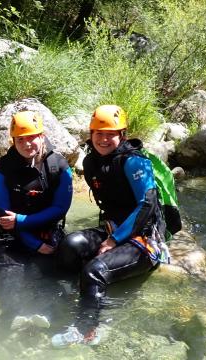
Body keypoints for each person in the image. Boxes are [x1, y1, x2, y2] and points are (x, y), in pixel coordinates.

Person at [52, 105, 169, 347]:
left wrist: (114, 241)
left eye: (110, 134)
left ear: (122, 135)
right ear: (91, 134)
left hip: (145, 237)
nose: (104, 139)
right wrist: (110, 235)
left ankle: (86, 330)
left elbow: (146, 206)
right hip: (113, 228)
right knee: (69, 245)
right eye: (99, 134)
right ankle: (75, 297)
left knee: (94, 270)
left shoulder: (136, 163)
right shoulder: (92, 162)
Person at [0, 110, 73, 330]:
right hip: (11, 232)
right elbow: (4, 217)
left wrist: (25, 223)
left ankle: (48, 314)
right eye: (20, 139)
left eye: (32, 137)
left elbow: (60, 208)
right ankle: (12, 314)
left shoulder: (58, 166)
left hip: (44, 226)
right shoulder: (3, 168)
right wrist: (33, 243)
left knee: (46, 268)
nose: (27, 144)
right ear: (13, 140)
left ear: (42, 136)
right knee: (11, 269)